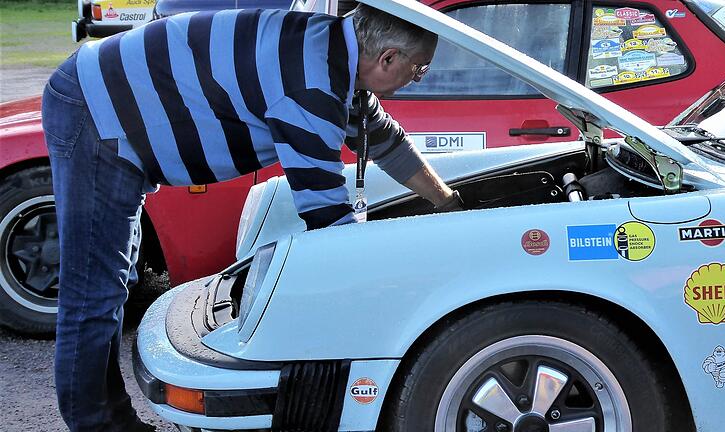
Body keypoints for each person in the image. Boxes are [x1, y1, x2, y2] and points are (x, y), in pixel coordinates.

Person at [42, 2, 462, 431]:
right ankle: (97, 425)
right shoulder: (310, 83)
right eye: (420, 68)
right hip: (96, 108)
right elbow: (328, 217)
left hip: (109, 102)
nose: (417, 79)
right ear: (387, 58)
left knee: (112, 284)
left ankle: (107, 421)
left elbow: (388, 142)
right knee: (95, 293)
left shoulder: (334, 54)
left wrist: (448, 203)